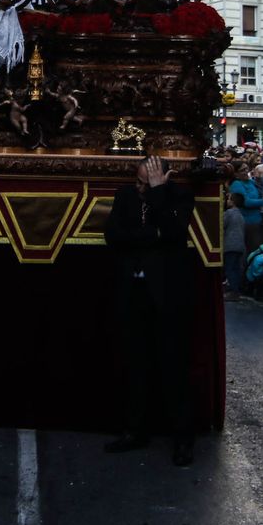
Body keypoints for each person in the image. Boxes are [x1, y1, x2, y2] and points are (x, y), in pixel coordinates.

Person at [104, 156, 199, 466]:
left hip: (166, 295)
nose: (140, 188)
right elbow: (113, 235)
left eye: (147, 183)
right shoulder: (125, 195)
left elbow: (175, 231)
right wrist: (152, 236)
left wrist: (159, 193)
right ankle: (135, 430)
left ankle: (182, 439)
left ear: (164, 177)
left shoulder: (179, 196)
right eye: (139, 182)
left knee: (173, 367)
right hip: (133, 291)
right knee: (136, 364)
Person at [228, 162, 263, 252]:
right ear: (236, 174)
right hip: (248, 221)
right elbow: (246, 202)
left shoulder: (251, 182)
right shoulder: (237, 184)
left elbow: (261, 193)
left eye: (246, 169)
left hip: (258, 220)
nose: (246, 171)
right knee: (252, 248)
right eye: (242, 170)